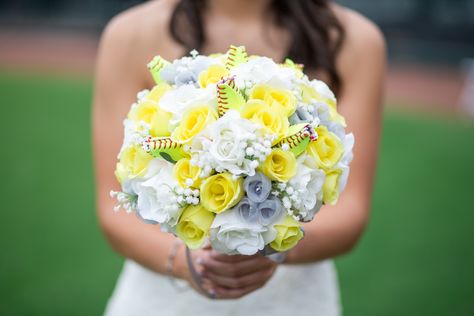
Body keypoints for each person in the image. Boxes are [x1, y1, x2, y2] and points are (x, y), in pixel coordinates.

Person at [93, 0, 385, 315]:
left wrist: (272, 248)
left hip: (290, 301)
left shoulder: (355, 40)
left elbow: (351, 211)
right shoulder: (130, 34)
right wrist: (188, 263)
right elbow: (115, 208)